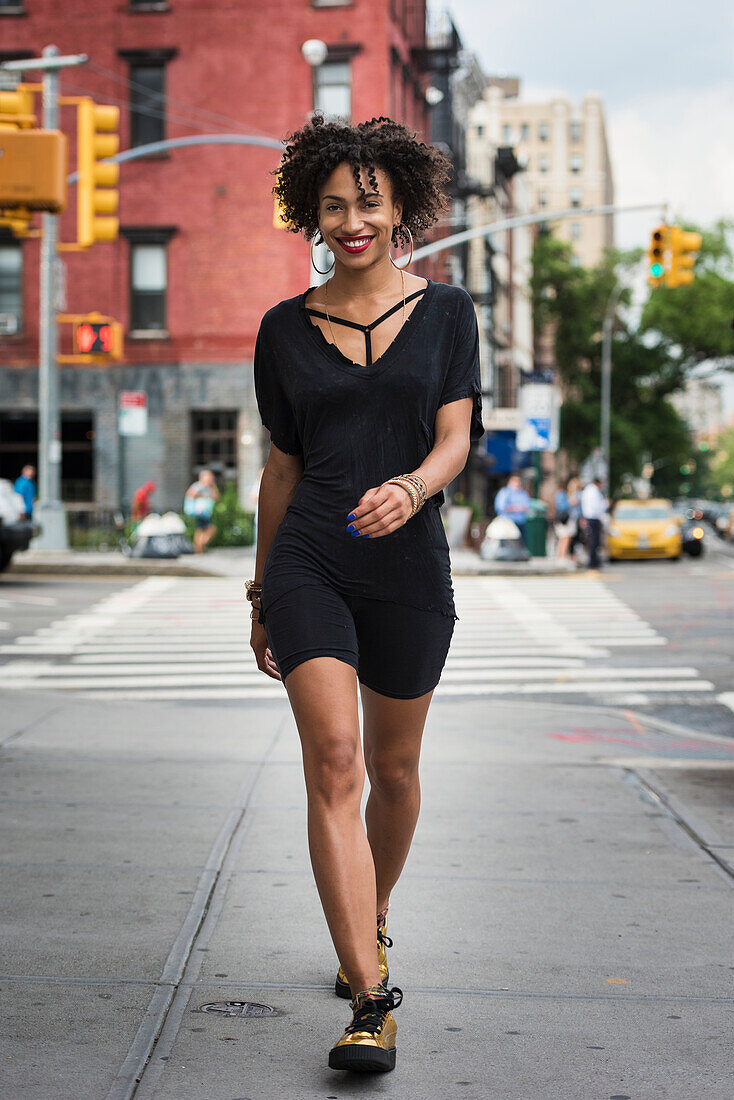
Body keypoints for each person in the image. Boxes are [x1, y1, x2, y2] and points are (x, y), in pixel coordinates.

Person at [246, 115, 482, 1074]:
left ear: (399, 210)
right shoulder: (280, 330)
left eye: (367, 204)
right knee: (334, 760)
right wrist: (263, 592)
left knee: (394, 770)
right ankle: (369, 999)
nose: (351, 222)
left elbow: (456, 438)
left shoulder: (448, 312)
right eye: (333, 206)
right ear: (311, 212)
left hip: (409, 567)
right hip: (311, 559)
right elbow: (279, 472)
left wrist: (415, 487)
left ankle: (372, 912)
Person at [184, 469, 220, 553]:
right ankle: (200, 546)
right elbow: (191, 494)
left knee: (201, 530)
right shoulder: (198, 486)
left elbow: (216, 497)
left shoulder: (210, 487)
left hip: (205, 512)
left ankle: (199, 548)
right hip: (199, 511)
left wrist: (213, 486)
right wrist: (205, 495)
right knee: (210, 529)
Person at [494, 474, 531, 544]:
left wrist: (513, 508)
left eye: (518, 481)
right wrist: (516, 508)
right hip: (507, 522)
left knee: (522, 543)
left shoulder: (523, 493)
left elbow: (526, 506)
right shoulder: (504, 492)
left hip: (521, 522)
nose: (517, 483)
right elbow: (501, 507)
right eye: (515, 481)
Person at [580, 476, 607, 569]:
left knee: (593, 541)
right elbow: (597, 506)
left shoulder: (588, 490)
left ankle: (594, 561)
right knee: (594, 541)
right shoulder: (594, 491)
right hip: (593, 518)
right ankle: (593, 562)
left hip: (590, 517)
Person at [553, 477, 578, 560]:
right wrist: (570, 503)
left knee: (566, 538)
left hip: (567, 519)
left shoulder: (565, 494)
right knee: (564, 538)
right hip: (563, 520)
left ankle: (562, 556)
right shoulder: (561, 494)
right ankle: (561, 556)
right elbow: (561, 506)